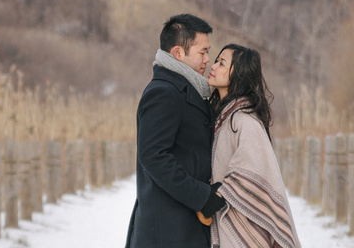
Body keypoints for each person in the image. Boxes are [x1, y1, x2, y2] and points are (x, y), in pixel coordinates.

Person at [125, 13, 226, 248]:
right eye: (202, 52)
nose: (208, 59)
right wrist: (202, 197)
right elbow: (153, 156)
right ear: (178, 53)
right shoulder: (163, 92)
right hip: (166, 231)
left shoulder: (189, 89)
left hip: (183, 226)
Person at [207, 44, 301, 248]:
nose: (213, 66)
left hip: (244, 219)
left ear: (238, 74)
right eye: (216, 60)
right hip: (224, 217)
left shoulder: (244, 119)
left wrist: (214, 197)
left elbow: (253, 168)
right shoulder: (222, 116)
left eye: (222, 63)